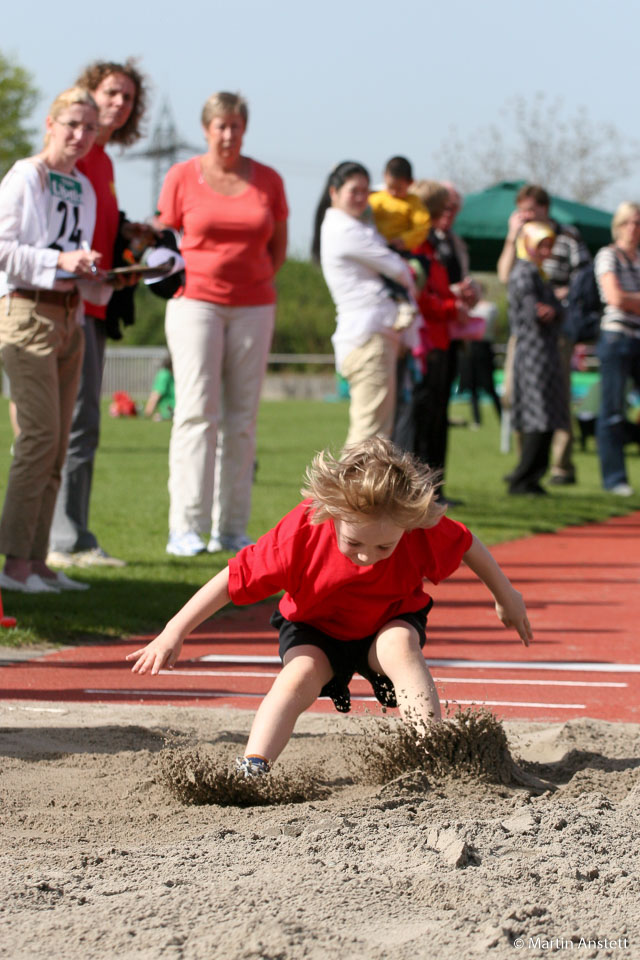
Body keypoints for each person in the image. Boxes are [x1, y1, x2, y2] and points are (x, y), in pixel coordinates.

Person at [127, 436, 532, 776]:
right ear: (332, 516)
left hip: (388, 618)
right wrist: (173, 632)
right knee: (299, 675)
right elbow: (230, 580)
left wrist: (507, 595)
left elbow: (467, 544)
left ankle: (430, 755)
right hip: (314, 628)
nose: (366, 557)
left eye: (383, 547)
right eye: (353, 543)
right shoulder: (301, 532)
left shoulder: (415, 524)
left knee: (400, 648)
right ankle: (254, 765)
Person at [156, 91, 288, 557]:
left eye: (236, 125)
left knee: (242, 419)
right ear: (206, 128)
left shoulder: (268, 179)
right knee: (196, 414)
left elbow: (278, 247)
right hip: (195, 302)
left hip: (254, 304)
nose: (228, 134)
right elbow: (164, 238)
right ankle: (185, 528)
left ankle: (231, 529)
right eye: (220, 125)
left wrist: (252, 283)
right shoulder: (181, 176)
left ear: (244, 128)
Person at [0, 87, 109, 594]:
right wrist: (57, 262)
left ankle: (38, 561)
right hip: (24, 311)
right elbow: (4, 251)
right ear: (50, 122)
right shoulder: (27, 175)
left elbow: (76, 257)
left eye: (89, 128)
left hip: (71, 315)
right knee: (39, 437)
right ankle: (14, 564)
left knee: (58, 443)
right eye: (71, 124)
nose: (80, 135)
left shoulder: (83, 188)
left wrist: (106, 275)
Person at [48, 59, 149, 570]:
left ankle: (69, 535)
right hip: (65, 301)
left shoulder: (103, 161)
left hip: (94, 301)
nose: (118, 104)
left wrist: (130, 239)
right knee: (69, 424)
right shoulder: (73, 155)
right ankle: (64, 539)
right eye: (111, 92)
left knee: (83, 422)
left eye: (128, 98)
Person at [312, 161, 415, 448]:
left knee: (376, 435)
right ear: (333, 191)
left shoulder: (356, 225)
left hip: (374, 335)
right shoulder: (343, 229)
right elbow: (398, 269)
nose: (362, 198)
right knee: (368, 438)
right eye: (353, 190)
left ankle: (351, 493)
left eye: (365, 191)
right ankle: (333, 495)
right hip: (368, 337)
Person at [497, 184, 591, 485]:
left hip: (556, 333)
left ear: (544, 209)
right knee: (518, 395)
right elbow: (504, 276)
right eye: (522, 209)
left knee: (556, 398)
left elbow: (584, 279)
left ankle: (559, 466)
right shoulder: (523, 245)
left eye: (531, 209)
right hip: (526, 335)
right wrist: (513, 236)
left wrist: (558, 298)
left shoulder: (568, 236)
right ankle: (528, 462)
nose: (526, 215)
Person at [407, 180, 470, 503]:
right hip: (427, 340)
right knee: (423, 418)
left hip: (442, 339)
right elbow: (420, 293)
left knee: (435, 417)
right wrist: (450, 305)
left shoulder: (437, 243)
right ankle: (420, 491)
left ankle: (433, 489)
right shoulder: (419, 242)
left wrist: (456, 300)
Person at [506, 222, 566, 495]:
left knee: (547, 412)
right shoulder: (524, 272)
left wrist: (553, 309)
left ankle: (533, 476)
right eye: (541, 244)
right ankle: (523, 476)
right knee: (537, 413)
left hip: (545, 351)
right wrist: (552, 309)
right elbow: (536, 312)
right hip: (532, 353)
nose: (546, 251)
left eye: (549, 245)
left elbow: (555, 311)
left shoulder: (538, 273)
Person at [593, 202, 640, 496]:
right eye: (628, 223)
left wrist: (629, 298)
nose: (633, 229)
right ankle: (614, 479)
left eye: (637, 223)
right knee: (612, 410)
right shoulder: (608, 255)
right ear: (618, 226)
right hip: (616, 338)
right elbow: (615, 297)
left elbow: (626, 297)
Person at [368, 156, 431, 253]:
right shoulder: (374, 199)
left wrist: (404, 240)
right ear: (384, 176)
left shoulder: (413, 202)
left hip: (400, 250)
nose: (394, 192)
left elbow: (422, 227)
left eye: (399, 189)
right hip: (374, 247)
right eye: (390, 187)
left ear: (411, 183)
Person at [144, 355, 175, 421]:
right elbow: (156, 395)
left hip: (173, 411)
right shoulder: (165, 375)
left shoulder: (166, 374)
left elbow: (156, 395)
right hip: (172, 411)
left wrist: (147, 413)